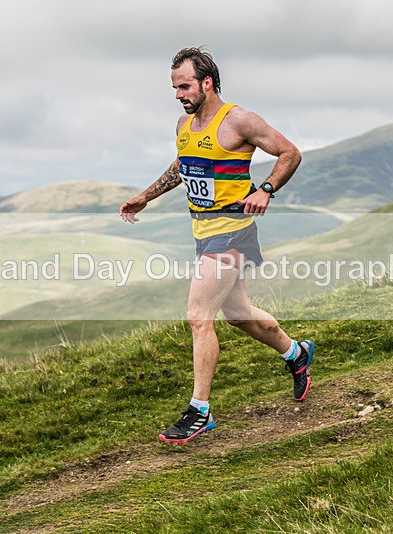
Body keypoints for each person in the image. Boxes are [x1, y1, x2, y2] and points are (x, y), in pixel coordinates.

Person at [119, 47, 314, 445]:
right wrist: (146, 197)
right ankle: (296, 354)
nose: (178, 94)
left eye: (184, 86)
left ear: (207, 82)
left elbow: (290, 153)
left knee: (197, 315)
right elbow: (183, 165)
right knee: (238, 314)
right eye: (174, 87)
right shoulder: (183, 125)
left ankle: (200, 411)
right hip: (204, 233)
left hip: (234, 232)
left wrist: (266, 190)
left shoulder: (239, 120)